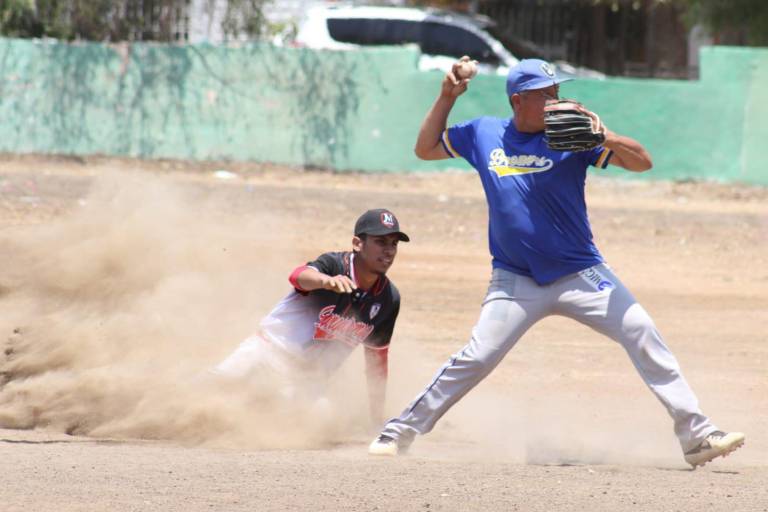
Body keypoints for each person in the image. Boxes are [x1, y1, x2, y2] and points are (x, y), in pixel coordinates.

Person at [368, 58, 744, 468]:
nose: (556, 101)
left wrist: (607, 136)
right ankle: (399, 431)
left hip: (580, 274)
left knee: (640, 329)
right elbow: (424, 149)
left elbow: (643, 162)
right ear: (518, 100)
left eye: (557, 92)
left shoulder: (573, 137)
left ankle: (697, 435)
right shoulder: (483, 132)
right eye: (546, 94)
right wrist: (447, 97)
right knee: (477, 356)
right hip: (514, 279)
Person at [211, 208, 408, 425]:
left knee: (317, 422)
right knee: (210, 389)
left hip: (305, 381)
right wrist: (325, 281)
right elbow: (298, 276)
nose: (389, 250)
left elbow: (376, 364)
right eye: (380, 242)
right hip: (267, 352)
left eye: (394, 244)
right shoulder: (334, 265)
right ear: (357, 243)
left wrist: (376, 419)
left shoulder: (388, 299)